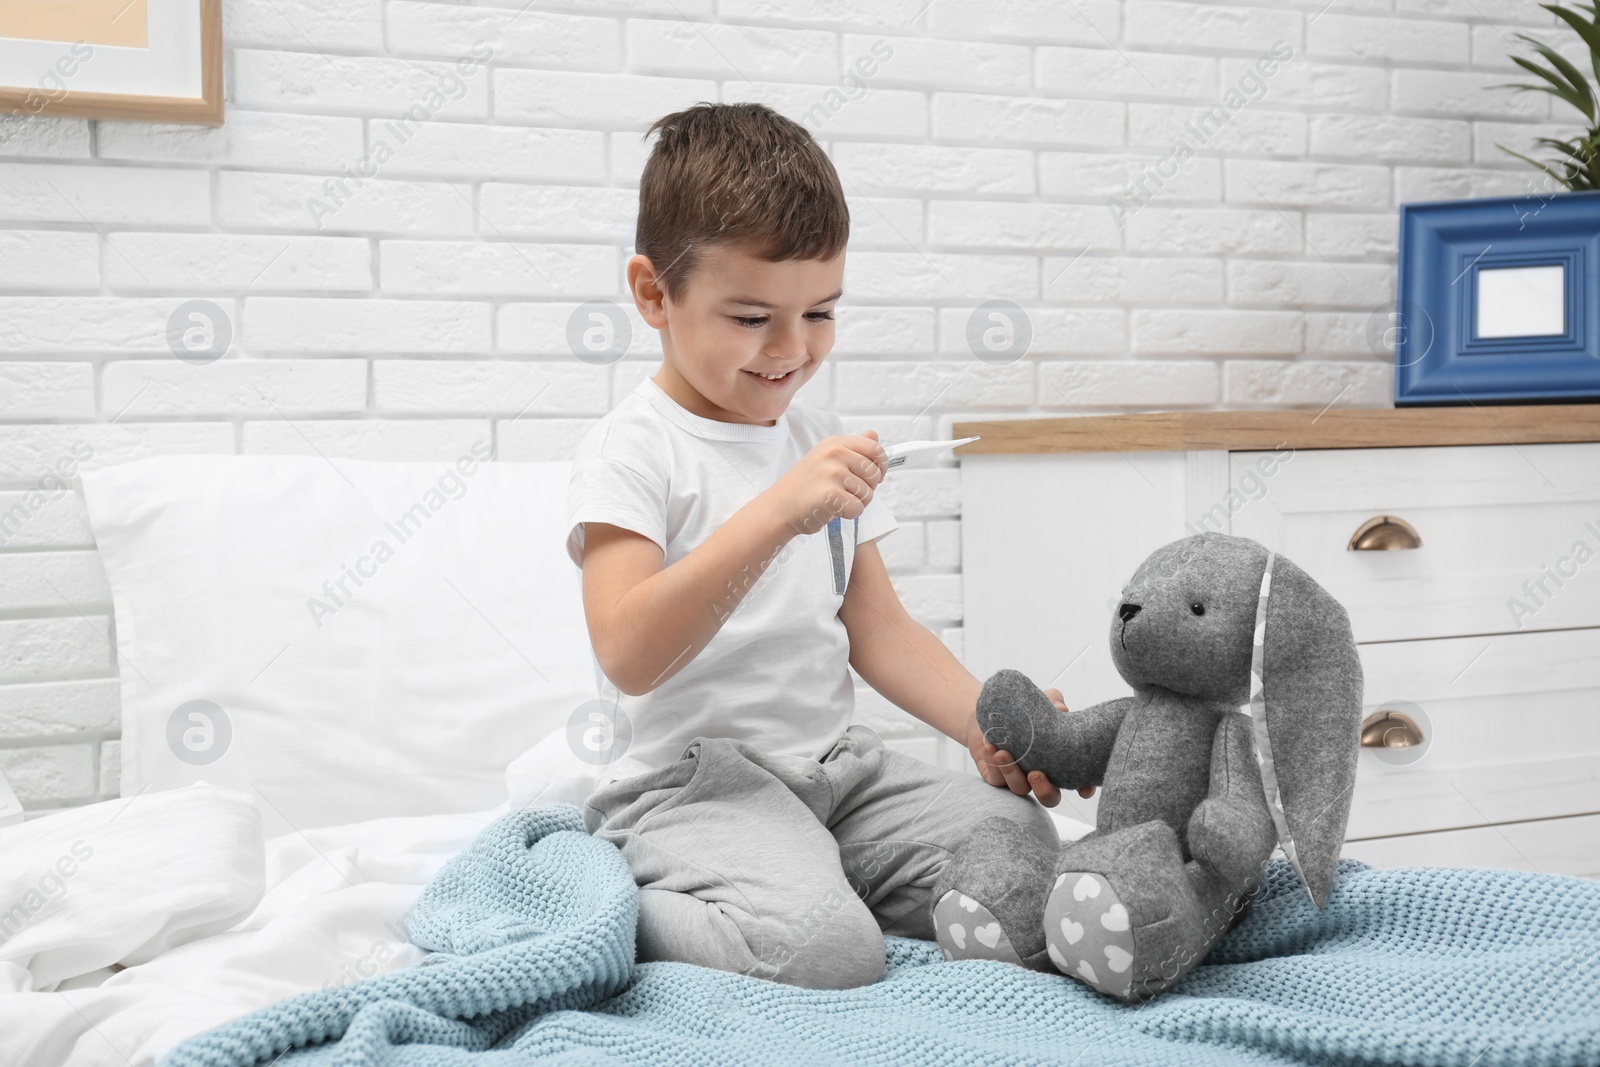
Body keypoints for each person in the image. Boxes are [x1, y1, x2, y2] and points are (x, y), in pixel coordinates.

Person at [566, 101, 1088, 990]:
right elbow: (630, 653)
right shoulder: (634, 447)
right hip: (693, 790)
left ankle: (810, 872)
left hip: (838, 772)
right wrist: (779, 511)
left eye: (819, 314)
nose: (790, 349)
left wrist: (982, 721)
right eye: (749, 317)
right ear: (654, 294)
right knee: (825, 953)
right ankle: (624, 895)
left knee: (1020, 842)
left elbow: (879, 628)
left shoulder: (817, 436)